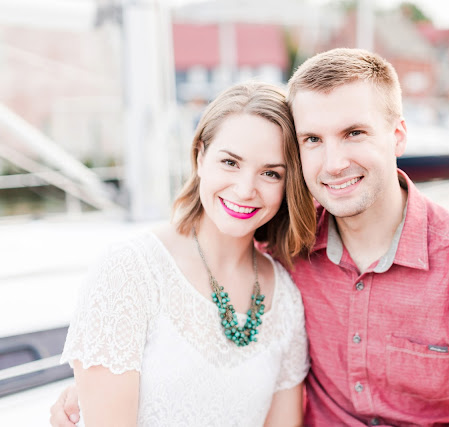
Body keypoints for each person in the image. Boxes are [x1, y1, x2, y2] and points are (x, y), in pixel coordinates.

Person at [52, 49, 449, 426]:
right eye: (313, 140)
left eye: (354, 133)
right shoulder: (289, 246)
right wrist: (97, 381)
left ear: (398, 135)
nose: (334, 162)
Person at [54, 82, 317, 426]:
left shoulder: (285, 297)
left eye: (270, 173)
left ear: (288, 184)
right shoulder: (129, 270)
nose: (245, 188)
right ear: (199, 157)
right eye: (230, 162)